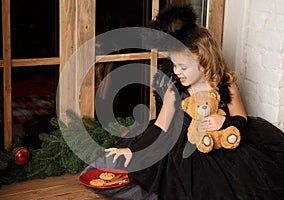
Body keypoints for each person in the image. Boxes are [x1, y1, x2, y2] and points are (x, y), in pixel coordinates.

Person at [84, 5, 284, 200]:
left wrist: (225, 123)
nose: (177, 71)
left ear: (204, 64)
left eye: (183, 67)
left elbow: (241, 117)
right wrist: (133, 150)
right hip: (179, 146)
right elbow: (161, 126)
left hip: (217, 146)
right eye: (174, 65)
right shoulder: (175, 89)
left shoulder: (226, 86)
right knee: (138, 172)